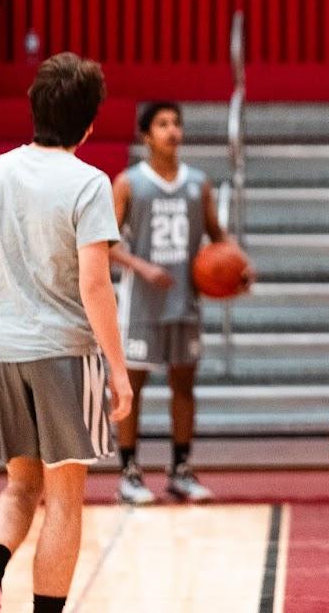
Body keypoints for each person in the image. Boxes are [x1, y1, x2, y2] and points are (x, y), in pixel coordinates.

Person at [0, 53, 132, 613]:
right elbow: (95, 286)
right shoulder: (88, 183)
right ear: (90, 122)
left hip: (0, 350)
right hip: (63, 353)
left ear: (34, 108)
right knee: (64, 500)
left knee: (19, 486)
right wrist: (120, 371)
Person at [110, 101, 242, 506]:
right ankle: (129, 472)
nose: (172, 130)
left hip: (185, 298)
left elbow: (218, 236)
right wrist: (142, 268)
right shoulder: (129, 182)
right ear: (146, 135)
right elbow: (108, 242)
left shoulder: (197, 183)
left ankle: (180, 468)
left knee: (183, 386)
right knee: (132, 387)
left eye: (176, 123)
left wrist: (239, 266)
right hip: (142, 304)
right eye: (162, 124)